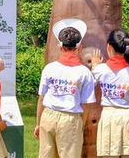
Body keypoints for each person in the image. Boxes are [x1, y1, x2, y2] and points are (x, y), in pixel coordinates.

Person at [35, 19, 96, 158]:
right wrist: (81, 123)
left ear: (60, 47)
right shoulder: (84, 72)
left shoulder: (49, 68)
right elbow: (86, 104)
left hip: (48, 116)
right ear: (79, 47)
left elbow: (41, 98)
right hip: (71, 118)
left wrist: (38, 123)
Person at [91, 29, 129, 158]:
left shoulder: (100, 70)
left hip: (109, 118)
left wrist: (94, 67)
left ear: (109, 47)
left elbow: (88, 86)